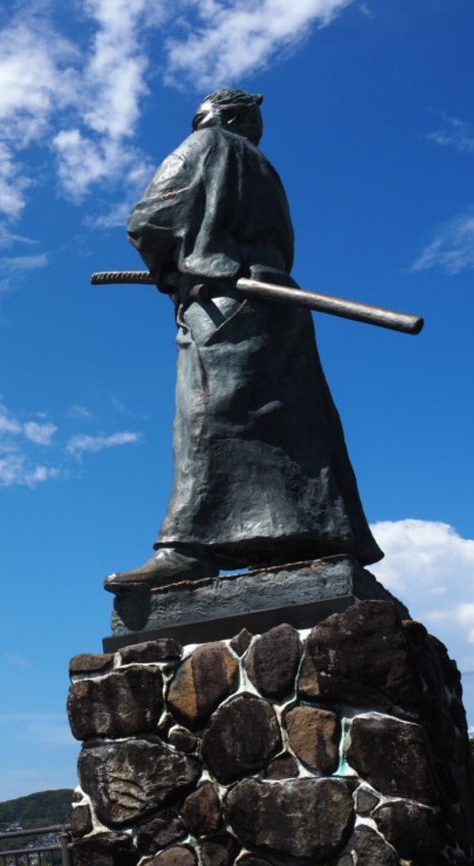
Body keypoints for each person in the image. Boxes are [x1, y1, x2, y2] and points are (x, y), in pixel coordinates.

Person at [104, 88, 383, 592]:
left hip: (223, 302)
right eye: (251, 118)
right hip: (280, 304)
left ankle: (188, 547)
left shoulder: (205, 144)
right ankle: (304, 536)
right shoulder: (266, 171)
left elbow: (149, 220)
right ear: (239, 117)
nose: (256, 128)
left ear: (215, 118)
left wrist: (171, 268)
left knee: (207, 417)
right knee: (292, 420)